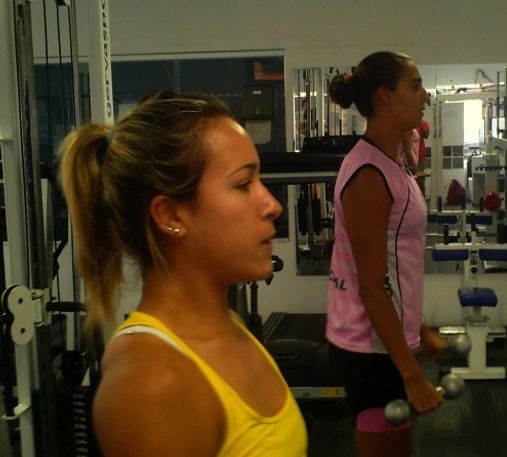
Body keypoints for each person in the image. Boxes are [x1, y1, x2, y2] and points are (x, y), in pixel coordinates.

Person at [58, 91, 307, 457]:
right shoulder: (152, 383)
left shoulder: (229, 326)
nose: (272, 205)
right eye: (243, 184)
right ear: (171, 216)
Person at [326, 51, 448, 457]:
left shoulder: (390, 164)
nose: (425, 95)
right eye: (415, 85)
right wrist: (412, 375)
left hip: (384, 342)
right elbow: (371, 286)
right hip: (369, 349)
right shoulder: (368, 174)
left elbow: (394, 266)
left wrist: (418, 327)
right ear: (385, 97)